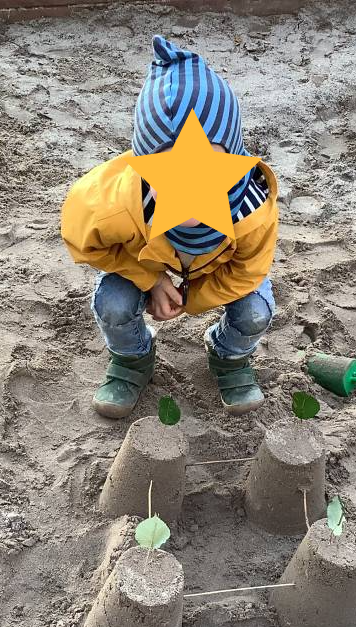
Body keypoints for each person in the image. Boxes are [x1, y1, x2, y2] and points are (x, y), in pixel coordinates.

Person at [61, 35, 279, 418]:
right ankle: (132, 359)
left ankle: (228, 356)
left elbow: (247, 271)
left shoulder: (251, 208)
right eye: (171, 168)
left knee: (255, 311)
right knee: (113, 303)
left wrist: (190, 300)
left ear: (231, 152)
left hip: (217, 272)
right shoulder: (114, 202)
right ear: (146, 162)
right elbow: (83, 241)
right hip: (145, 262)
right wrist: (151, 281)